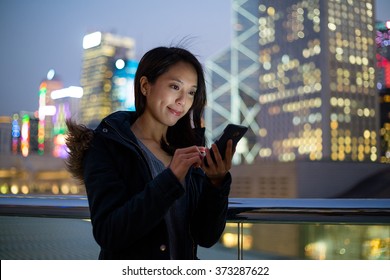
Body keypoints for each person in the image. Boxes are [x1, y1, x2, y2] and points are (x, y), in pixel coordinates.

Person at [65, 46, 234, 260]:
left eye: (191, 92)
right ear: (145, 86)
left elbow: (206, 236)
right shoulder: (108, 145)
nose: (183, 100)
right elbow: (109, 233)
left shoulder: (185, 149)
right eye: (175, 86)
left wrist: (216, 184)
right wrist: (170, 178)